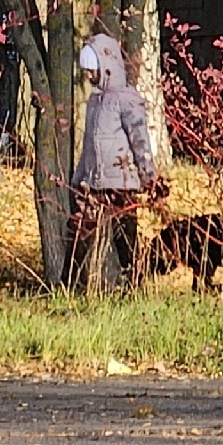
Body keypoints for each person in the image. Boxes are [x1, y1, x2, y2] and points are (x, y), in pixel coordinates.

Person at [73, 21, 168, 291]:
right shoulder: (94, 101)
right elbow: (88, 144)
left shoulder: (126, 99)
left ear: (106, 66)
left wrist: (149, 177)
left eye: (91, 69)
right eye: (86, 70)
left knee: (126, 238)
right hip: (94, 184)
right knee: (82, 234)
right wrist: (79, 176)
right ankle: (74, 285)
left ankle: (133, 284)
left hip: (122, 183)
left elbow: (140, 140)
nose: (88, 75)